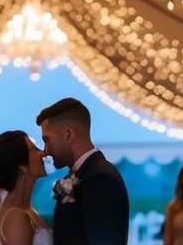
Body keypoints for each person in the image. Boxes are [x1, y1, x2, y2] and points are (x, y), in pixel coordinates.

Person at [36, 96, 129, 245]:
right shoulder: (86, 174)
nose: (46, 151)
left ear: (69, 135)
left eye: (47, 140)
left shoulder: (100, 178)